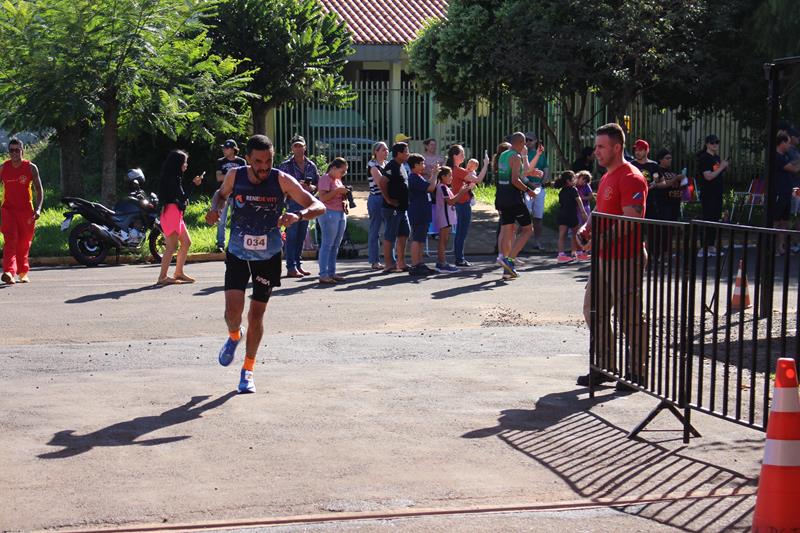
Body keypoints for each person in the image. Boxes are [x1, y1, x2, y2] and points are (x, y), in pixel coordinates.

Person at [206, 134, 324, 394]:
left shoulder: (280, 179)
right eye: (258, 161)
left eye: (268, 161)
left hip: (269, 255)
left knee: (256, 314)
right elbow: (220, 195)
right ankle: (234, 335)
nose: (263, 167)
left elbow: (318, 205)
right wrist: (216, 208)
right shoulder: (235, 176)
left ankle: (248, 370)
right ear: (247, 159)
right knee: (232, 313)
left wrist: (299, 214)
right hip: (238, 251)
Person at [577, 123, 649, 391]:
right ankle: (606, 367)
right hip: (603, 257)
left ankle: (637, 372)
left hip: (625, 257)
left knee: (629, 315)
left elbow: (631, 219)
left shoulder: (631, 176)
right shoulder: (608, 176)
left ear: (616, 147)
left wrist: (598, 240)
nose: (596, 151)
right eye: (596, 146)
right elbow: (600, 209)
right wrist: (586, 229)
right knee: (592, 309)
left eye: (601, 147)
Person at [494, 132, 542, 279]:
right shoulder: (516, 156)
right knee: (528, 230)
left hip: (501, 197)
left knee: (508, 232)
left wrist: (531, 172)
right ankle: (509, 260)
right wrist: (529, 191)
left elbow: (516, 175)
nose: (526, 146)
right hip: (514, 199)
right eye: (525, 143)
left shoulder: (504, 155)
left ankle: (507, 271)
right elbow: (515, 180)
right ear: (521, 143)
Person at [156, 149, 203, 285]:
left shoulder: (175, 177)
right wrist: (194, 184)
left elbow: (180, 197)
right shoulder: (171, 178)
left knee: (186, 242)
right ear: (178, 163)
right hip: (171, 213)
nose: (186, 165)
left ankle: (178, 272)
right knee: (171, 246)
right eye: (185, 162)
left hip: (176, 213)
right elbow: (182, 196)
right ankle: (162, 277)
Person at [0, 138, 43, 284]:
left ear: (22, 151)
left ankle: (23, 272)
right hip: (8, 210)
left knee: (24, 243)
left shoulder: (31, 168)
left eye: (17, 150)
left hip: (26, 211)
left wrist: (38, 209)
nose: (14, 153)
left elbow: (39, 190)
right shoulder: (3, 168)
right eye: (11, 150)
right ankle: (9, 272)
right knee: (10, 241)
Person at [279, 135, 319, 277]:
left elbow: (317, 184)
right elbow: (280, 185)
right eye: (295, 146)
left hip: (306, 203)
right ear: (292, 148)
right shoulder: (285, 165)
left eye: (300, 145)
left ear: (305, 147)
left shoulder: (311, 165)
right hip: (292, 202)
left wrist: (311, 187)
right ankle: (291, 266)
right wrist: (295, 188)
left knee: (302, 235)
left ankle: (298, 264)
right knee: (292, 235)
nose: (298, 148)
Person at [446, 144, 489, 267]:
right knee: (461, 232)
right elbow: (478, 179)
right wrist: (486, 165)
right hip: (462, 203)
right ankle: (459, 258)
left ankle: (459, 257)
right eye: (461, 154)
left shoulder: (454, 169)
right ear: (455, 156)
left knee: (460, 232)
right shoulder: (458, 170)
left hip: (460, 202)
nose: (464, 156)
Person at [434, 166, 475, 273]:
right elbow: (451, 201)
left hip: (446, 217)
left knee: (445, 240)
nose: (451, 177)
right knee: (443, 240)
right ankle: (441, 263)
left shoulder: (444, 187)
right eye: (449, 175)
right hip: (444, 216)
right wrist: (461, 192)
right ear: (442, 177)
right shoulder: (442, 187)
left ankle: (441, 262)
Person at [316, 157, 350, 284]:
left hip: (340, 213)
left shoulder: (337, 180)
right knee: (327, 244)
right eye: (342, 171)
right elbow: (323, 197)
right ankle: (323, 274)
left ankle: (331, 272)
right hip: (329, 213)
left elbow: (339, 195)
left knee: (335, 245)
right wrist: (338, 191)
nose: (344, 174)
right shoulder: (325, 178)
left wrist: (345, 197)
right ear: (334, 168)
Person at [378, 142, 410, 273]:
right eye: (406, 151)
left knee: (404, 233)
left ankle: (401, 262)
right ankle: (389, 264)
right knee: (390, 235)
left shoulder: (402, 166)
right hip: (393, 209)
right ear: (399, 153)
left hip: (403, 208)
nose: (408, 154)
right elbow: (382, 182)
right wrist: (388, 199)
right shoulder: (392, 166)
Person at [696, 134, 729, 257]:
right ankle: (703, 247)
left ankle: (711, 246)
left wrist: (724, 166)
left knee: (715, 218)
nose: (715, 144)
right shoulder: (705, 158)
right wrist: (722, 167)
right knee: (708, 218)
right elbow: (708, 176)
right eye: (712, 142)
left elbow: (718, 172)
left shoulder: (716, 157)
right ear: (707, 144)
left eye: (717, 142)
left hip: (717, 192)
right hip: (708, 193)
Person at [406, 153, 437, 276]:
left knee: (421, 239)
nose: (424, 165)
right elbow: (430, 188)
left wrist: (433, 175)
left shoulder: (419, 176)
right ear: (415, 165)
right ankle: (415, 264)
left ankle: (420, 263)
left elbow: (427, 185)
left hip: (423, 210)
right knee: (417, 239)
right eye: (422, 163)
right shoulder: (414, 177)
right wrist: (435, 174)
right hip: (418, 211)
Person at [215, 140, 246, 253]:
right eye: (223, 148)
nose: (224, 150)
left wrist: (227, 176)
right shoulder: (220, 162)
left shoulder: (241, 162)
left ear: (233, 149)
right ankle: (220, 244)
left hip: (237, 195)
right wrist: (234, 176)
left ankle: (234, 244)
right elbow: (218, 178)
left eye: (226, 148)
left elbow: (244, 177)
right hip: (223, 195)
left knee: (236, 221)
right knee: (221, 221)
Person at [774, 132, 800, 254]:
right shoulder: (776, 157)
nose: (789, 145)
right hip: (778, 193)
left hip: (787, 192)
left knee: (784, 221)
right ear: (782, 143)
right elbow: (794, 168)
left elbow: (794, 166)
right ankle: (770, 246)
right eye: (788, 143)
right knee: (775, 221)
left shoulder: (785, 156)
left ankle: (781, 247)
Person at [555, 170, 589, 264]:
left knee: (562, 235)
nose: (575, 180)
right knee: (576, 234)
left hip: (562, 214)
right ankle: (579, 253)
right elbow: (579, 201)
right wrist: (583, 212)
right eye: (573, 178)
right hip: (571, 215)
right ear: (568, 181)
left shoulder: (561, 191)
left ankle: (561, 255)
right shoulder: (574, 189)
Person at [524, 133, 550, 250]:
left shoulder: (541, 155)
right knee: (524, 215)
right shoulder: (522, 153)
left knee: (538, 217)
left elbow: (546, 169)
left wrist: (541, 182)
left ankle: (537, 241)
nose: (527, 142)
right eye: (525, 140)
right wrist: (529, 184)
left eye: (529, 140)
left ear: (535, 141)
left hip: (539, 188)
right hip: (525, 188)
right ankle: (521, 242)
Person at [367, 142, 389, 270]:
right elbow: (381, 183)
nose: (386, 152)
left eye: (387, 150)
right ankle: (374, 261)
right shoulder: (372, 165)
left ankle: (389, 259)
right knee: (375, 230)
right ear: (376, 151)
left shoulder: (386, 165)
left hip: (386, 198)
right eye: (383, 150)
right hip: (376, 199)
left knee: (389, 230)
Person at [630, 139, 661, 220]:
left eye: (640, 150)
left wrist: (655, 184)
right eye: (636, 150)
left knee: (652, 227)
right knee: (636, 226)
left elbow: (662, 181)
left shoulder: (653, 165)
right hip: (635, 201)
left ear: (647, 150)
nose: (637, 152)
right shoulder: (631, 165)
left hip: (651, 201)